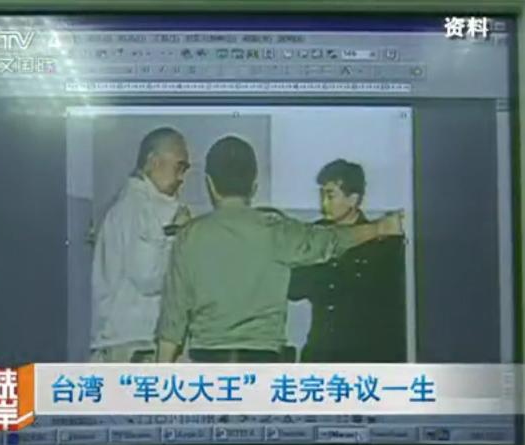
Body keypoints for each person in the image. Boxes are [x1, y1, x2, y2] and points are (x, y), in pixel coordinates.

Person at [155, 136, 404, 363]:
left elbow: (172, 323)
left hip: (207, 364)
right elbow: (330, 241)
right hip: (263, 363)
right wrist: (380, 228)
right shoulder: (275, 229)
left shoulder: (188, 236)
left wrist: (158, 381)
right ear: (254, 185)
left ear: (210, 183)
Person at [288, 159, 406, 362]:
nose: (324, 203)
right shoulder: (315, 236)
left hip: (365, 353)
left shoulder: (381, 244)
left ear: (353, 199)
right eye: (322, 195)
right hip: (321, 351)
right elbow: (294, 288)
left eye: (330, 195)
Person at [90, 127, 191, 363]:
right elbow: (148, 277)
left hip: (134, 343)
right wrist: (178, 235)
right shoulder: (135, 207)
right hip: (132, 345)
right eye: (179, 167)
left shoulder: (145, 205)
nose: (181, 178)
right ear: (154, 162)